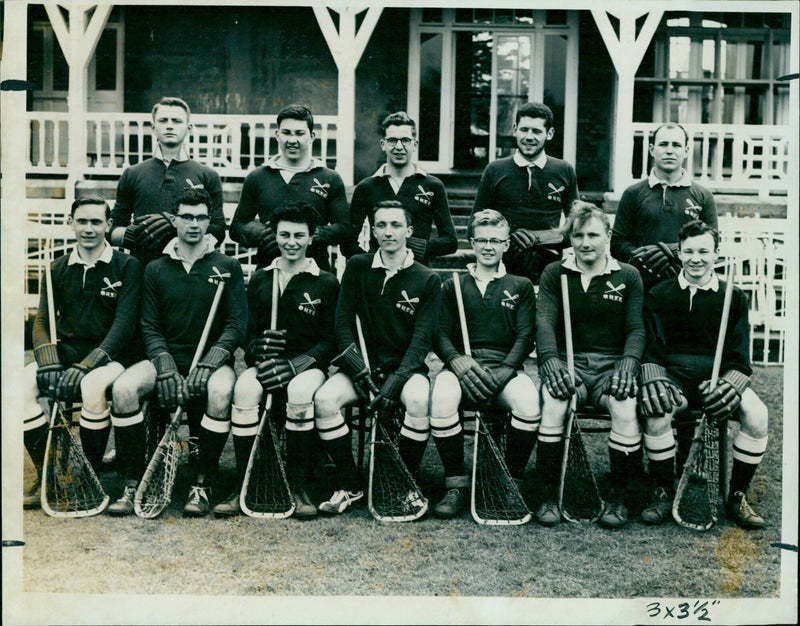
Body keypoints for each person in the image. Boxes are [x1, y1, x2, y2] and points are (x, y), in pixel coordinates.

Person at [106, 187, 247, 517]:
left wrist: (211, 361)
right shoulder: (155, 268)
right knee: (124, 389)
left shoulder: (228, 266)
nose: (194, 224)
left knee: (222, 390)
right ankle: (130, 481)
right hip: (164, 358)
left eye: (200, 217)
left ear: (210, 221)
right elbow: (149, 325)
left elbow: (236, 325)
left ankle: (202, 482)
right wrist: (166, 366)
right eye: (187, 217)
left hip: (210, 361)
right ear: (174, 219)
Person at [312, 200, 443, 515]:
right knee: (325, 399)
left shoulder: (427, 278)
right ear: (372, 230)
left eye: (396, 225)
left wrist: (395, 382)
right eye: (381, 225)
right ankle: (349, 484)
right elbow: (342, 324)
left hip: (405, 370)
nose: (388, 232)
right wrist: (359, 371)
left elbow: (422, 339)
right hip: (361, 369)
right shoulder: (357, 266)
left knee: (418, 400)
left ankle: (402, 480)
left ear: (409, 231)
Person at [213, 202, 339, 518]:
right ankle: (245, 479)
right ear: (275, 236)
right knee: (244, 389)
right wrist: (258, 350)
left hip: (307, 367)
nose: (291, 242)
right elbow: (247, 334)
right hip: (267, 364)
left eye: (299, 235)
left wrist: (297, 364)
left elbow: (330, 340)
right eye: (284, 235)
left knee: (298, 392)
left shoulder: (325, 281)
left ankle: (297, 486)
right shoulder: (261, 279)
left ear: (312, 238)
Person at [639, 220, 767, 529]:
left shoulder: (733, 296)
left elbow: (740, 358)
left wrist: (729, 383)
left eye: (704, 251)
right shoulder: (659, 294)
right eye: (689, 251)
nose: (696, 258)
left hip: (719, 379)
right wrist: (655, 378)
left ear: (716, 254)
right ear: (679, 254)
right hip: (674, 377)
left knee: (758, 414)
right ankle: (663, 491)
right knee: (658, 414)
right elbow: (652, 350)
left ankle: (737, 495)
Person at [23, 195, 142, 508]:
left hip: (111, 358)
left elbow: (124, 327)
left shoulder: (126, 265)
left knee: (91, 388)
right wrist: (47, 361)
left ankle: (88, 475)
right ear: (70, 223)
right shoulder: (58, 266)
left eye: (96, 222)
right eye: (82, 221)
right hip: (66, 352)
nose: (89, 228)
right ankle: (50, 475)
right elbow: (42, 321)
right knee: (15, 390)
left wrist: (88, 364)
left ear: (108, 224)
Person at [535, 201, 644, 528]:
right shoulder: (556, 273)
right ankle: (548, 494)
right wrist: (551, 361)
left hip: (611, 368)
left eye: (593, 234)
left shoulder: (628, 275)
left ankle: (618, 496)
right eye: (578, 235)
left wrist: (628, 364)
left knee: (625, 409)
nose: (585, 242)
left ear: (608, 235)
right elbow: (543, 322)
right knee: (554, 404)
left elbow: (636, 329)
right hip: (571, 365)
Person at [434, 209, 540, 516]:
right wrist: (456, 360)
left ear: (507, 244)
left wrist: (507, 369)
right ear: (471, 243)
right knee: (441, 399)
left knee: (529, 404)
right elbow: (439, 333)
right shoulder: (453, 284)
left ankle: (510, 480)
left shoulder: (520, 285)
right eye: (481, 240)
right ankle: (455, 483)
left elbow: (525, 335)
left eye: (495, 240)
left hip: (504, 367)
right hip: (462, 367)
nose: (488, 246)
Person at [229, 104, 350, 273]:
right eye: (286, 133)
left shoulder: (329, 177)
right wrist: (263, 233)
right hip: (269, 272)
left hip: (315, 275)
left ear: (312, 136)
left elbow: (345, 228)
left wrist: (311, 235)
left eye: (300, 133)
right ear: (277, 135)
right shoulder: (258, 177)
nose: (292, 140)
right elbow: (236, 228)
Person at [109, 97, 226, 266]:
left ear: (189, 128)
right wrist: (133, 234)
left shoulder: (207, 175)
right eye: (163, 120)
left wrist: (178, 228)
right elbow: (112, 228)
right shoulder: (132, 173)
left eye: (177, 121)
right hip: (144, 266)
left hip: (190, 267)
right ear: (153, 128)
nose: (169, 125)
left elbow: (219, 229)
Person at [471, 102, 579, 284]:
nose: (529, 137)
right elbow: (473, 226)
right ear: (515, 129)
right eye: (524, 130)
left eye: (536, 131)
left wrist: (539, 238)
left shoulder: (564, 170)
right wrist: (507, 240)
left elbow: (576, 228)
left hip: (548, 269)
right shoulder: (495, 170)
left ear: (549, 134)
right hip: (502, 268)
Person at [610, 122, 718, 292]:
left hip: (686, 284)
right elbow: (617, 242)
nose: (670, 150)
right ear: (652, 149)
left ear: (686, 151)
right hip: (642, 285)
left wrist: (670, 251)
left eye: (676, 145)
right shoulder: (633, 193)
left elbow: (713, 241)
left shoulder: (703, 195)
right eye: (663, 144)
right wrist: (646, 258)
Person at [345, 111, 457, 265]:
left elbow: (450, 242)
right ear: (383, 144)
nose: (399, 147)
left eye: (405, 140)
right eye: (392, 140)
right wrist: (370, 263)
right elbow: (348, 242)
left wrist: (410, 247)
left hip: (417, 275)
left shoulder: (432, 185)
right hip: (377, 277)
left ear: (415, 144)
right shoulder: (366, 187)